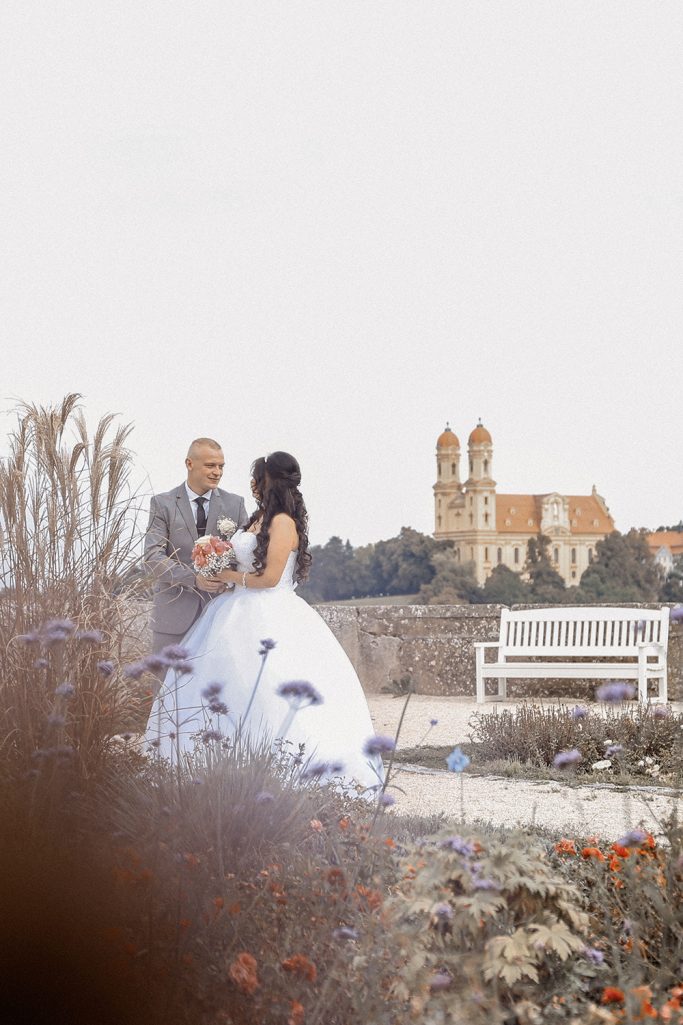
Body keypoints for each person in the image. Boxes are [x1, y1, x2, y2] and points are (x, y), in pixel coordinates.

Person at [145, 451, 383, 793]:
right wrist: (218, 560)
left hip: (271, 611)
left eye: (255, 478)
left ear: (268, 481)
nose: (251, 484)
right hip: (233, 610)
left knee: (270, 687)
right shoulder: (258, 517)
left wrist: (227, 574)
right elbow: (246, 562)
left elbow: (270, 578)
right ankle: (212, 765)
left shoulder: (283, 522)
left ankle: (284, 770)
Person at [144, 438, 249, 657]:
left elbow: (244, 556)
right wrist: (194, 578)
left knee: (216, 689)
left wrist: (226, 577)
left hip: (221, 615)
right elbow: (152, 558)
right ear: (189, 464)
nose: (217, 472)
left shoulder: (235, 504)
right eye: (210, 465)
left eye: (221, 466)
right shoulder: (163, 504)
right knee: (165, 687)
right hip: (173, 617)